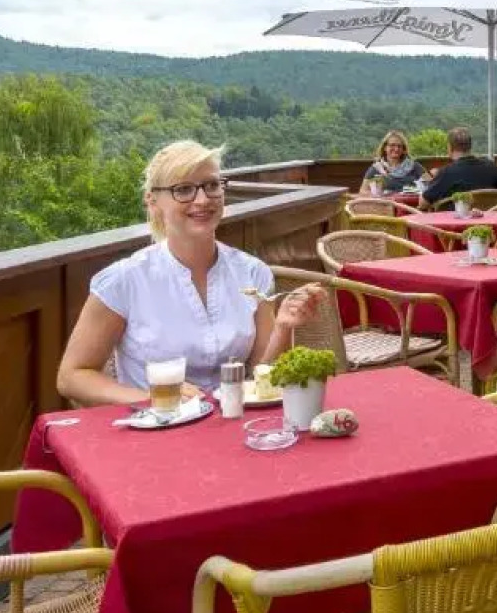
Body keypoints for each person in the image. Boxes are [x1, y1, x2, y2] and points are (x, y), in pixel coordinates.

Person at [56, 141, 325, 406]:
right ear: (152, 200)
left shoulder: (252, 273)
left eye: (211, 185)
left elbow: (263, 377)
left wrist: (283, 328)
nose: (202, 199)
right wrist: (148, 398)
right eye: (183, 190)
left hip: (233, 427)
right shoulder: (124, 281)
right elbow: (72, 377)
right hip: (157, 432)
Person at [419, 126, 497, 208]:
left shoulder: (447, 173)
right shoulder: (491, 167)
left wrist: (429, 181)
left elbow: (423, 204)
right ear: (470, 146)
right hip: (487, 221)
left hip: (453, 222)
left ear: (449, 147)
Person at [361, 129, 426, 195]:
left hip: (411, 204)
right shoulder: (376, 169)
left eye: (399, 146)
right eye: (392, 145)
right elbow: (363, 191)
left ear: (403, 149)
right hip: (387, 204)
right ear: (385, 148)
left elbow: (429, 184)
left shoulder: (414, 166)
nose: (396, 149)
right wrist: (378, 196)